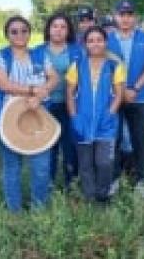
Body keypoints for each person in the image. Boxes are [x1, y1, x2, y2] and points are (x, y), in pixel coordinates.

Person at [0, 15, 58, 212]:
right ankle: (14, 211)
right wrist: (33, 90)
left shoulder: (39, 55)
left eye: (24, 31)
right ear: (7, 35)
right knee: (12, 167)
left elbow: (54, 77)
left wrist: (44, 90)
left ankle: (39, 209)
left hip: (38, 117)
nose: (20, 35)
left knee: (42, 167)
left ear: (29, 32)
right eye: (14, 31)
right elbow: (3, 84)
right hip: (8, 120)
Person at [66, 26, 125, 204]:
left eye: (99, 40)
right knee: (85, 164)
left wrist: (111, 112)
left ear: (105, 42)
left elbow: (119, 93)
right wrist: (74, 116)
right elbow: (70, 93)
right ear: (85, 44)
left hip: (106, 123)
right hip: (82, 122)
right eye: (91, 40)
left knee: (104, 163)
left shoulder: (115, 66)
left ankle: (103, 196)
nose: (95, 44)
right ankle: (89, 197)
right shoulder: (76, 66)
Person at [108, 0, 144, 197]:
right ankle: (114, 178)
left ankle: (141, 180)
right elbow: (104, 70)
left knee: (139, 140)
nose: (125, 19)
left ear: (134, 17)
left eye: (129, 15)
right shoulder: (107, 39)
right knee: (114, 139)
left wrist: (134, 88)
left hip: (139, 96)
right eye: (122, 14)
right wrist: (120, 91)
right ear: (115, 17)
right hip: (115, 98)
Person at [33, 13, 82, 190]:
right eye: (55, 26)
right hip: (44, 107)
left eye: (63, 27)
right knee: (48, 148)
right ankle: (48, 185)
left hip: (70, 105)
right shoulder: (37, 51)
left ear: (68, 31)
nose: (59, 30)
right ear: (48, 29)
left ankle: (72, 186)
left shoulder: (77, 51)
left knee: (70, 147)